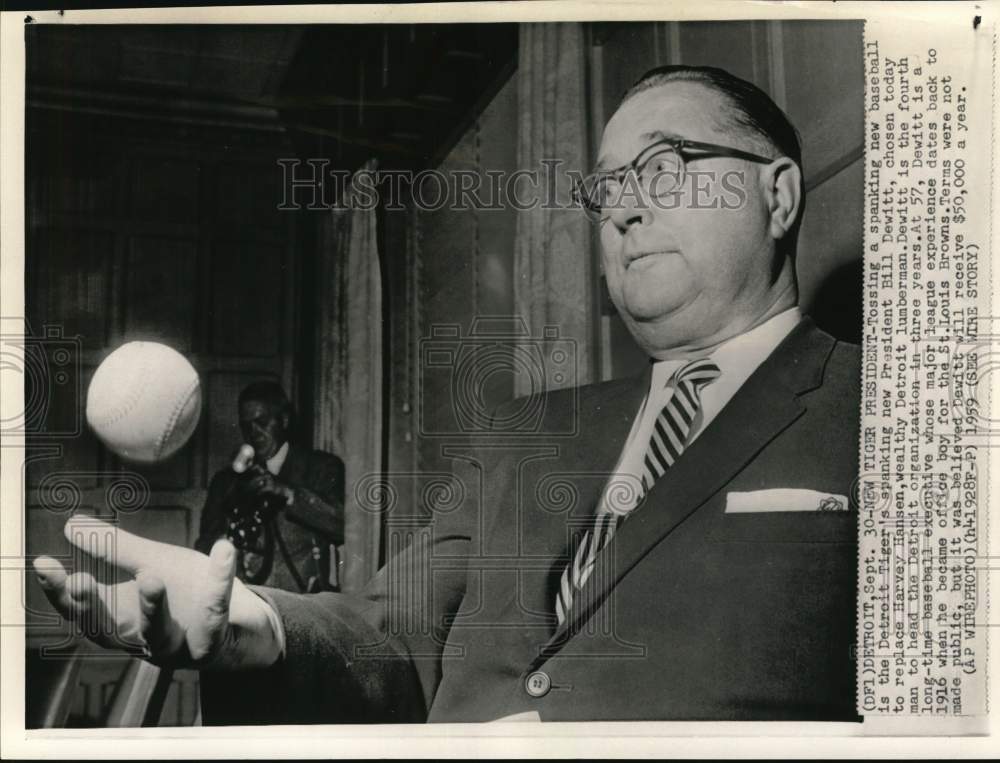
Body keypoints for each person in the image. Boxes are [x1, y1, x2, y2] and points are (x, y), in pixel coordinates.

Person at [33, 65, 860, 723]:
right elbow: (392, 631)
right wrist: (255, 626)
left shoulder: (887, 416)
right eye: (605, 188)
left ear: (776, 193)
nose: (624, 209)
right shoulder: (521, 431)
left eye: (664, 167)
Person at [194, 382, 345, 593]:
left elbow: (342, 526)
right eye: (246, 426)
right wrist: (223, 542)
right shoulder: (225, 481)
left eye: (262, 422)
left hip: (303, 603)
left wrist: (288, 493)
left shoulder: (321, 467)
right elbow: (203, 547)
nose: (254, 433)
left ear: (283, 420)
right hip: (245, 603)